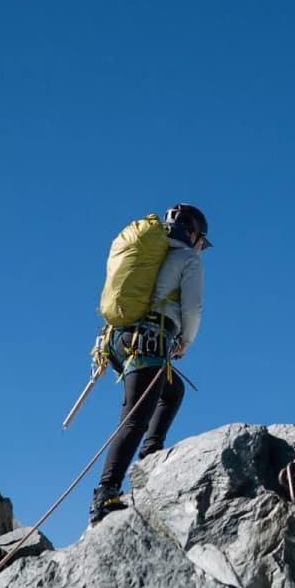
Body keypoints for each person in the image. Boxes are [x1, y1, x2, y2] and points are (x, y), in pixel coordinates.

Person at [90, 203, 209, 523]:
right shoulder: (188, 259)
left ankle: (150, 456)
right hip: (149, 340)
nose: (202, 248)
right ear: (194, 234)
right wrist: (185, 341)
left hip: (119, 341)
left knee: (172, 390)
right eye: (202, 242)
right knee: (134, 419)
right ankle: (106, 493)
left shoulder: (150, 252)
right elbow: (192, 308)